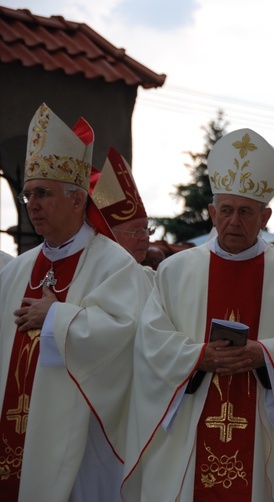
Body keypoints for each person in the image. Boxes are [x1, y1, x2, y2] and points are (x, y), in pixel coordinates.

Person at [121, 128, 274, 501]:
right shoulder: (176, 270)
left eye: (246, 211)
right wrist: (198, 356)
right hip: (191, 426)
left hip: (261, 434)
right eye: (227, 210)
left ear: (265, 215)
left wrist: (263, 354)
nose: (235, 221)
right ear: (211, 213)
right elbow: (150, 341)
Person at [0, 103, 148, 500]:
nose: (32, 204)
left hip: (84, 442)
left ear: (78, 200)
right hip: (13, 428)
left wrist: (58, 317)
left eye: (43, 194)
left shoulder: (113, 265)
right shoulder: (17, 271)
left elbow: (126, 336)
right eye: (28, 194)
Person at [90, 146, 156, 287]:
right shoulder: (91, 278)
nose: (145, 237)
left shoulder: (152, 278)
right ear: (108, 235)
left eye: (146, 229)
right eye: (135, 230)